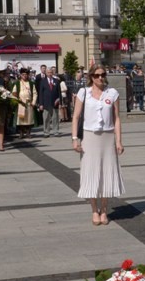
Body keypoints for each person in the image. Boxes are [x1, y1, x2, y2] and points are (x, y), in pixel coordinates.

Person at [71, 63, 125, 226]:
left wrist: (119, 140)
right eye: (97, 75)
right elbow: (76, 117)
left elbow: (116, 118)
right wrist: (75, 138)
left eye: (103, 74)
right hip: (89, 137)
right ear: (91, 77)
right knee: (91, 173)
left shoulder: (112, 93)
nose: (100, 78)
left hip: (107, 138)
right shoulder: (84, 93)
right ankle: (94, 210)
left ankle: (104, 209)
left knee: (106, 173)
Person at [13, 68, 38, 139]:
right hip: (20, 103)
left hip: (29, 103)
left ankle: (28, 133)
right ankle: (21, 133)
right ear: (20, 75)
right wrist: (17, 100)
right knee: (21, 119)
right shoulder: (17, 83)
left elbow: (35, 93)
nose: (24, 76)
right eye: (23, 74)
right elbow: (14, 93)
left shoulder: (31, 83)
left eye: (26, 74)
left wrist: (33, 102)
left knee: (29, 119)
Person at [38, 67, 61, 138]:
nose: (50, 74)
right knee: (46, 118)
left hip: (55, 103)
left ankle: (56, 131)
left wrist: (60, 102)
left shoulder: (56, 81)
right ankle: (46, 132)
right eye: (48, 72)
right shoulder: (42, 81)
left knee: (55, 118)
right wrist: (41, 104)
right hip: (46, 103)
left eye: (51, 72)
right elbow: (40, 93)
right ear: (46, 73)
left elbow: (59, 93)